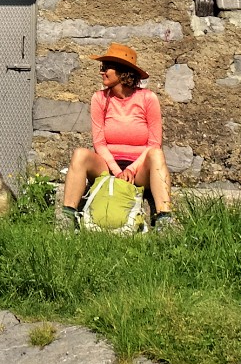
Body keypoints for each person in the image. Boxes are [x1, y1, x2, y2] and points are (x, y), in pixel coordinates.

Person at [59, 42, 177, 231]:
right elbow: (99, 142)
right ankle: (67, 218)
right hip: (107, 165)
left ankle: (164, 220)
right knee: (80, 154)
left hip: (138, 169)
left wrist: (131, 169)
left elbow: (154, 143)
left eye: (106, 68)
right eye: (102, 67)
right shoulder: (99, 98)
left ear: (123, 73)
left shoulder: (148, 98)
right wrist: (117, 170)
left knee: (156, 154)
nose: (102, 72)